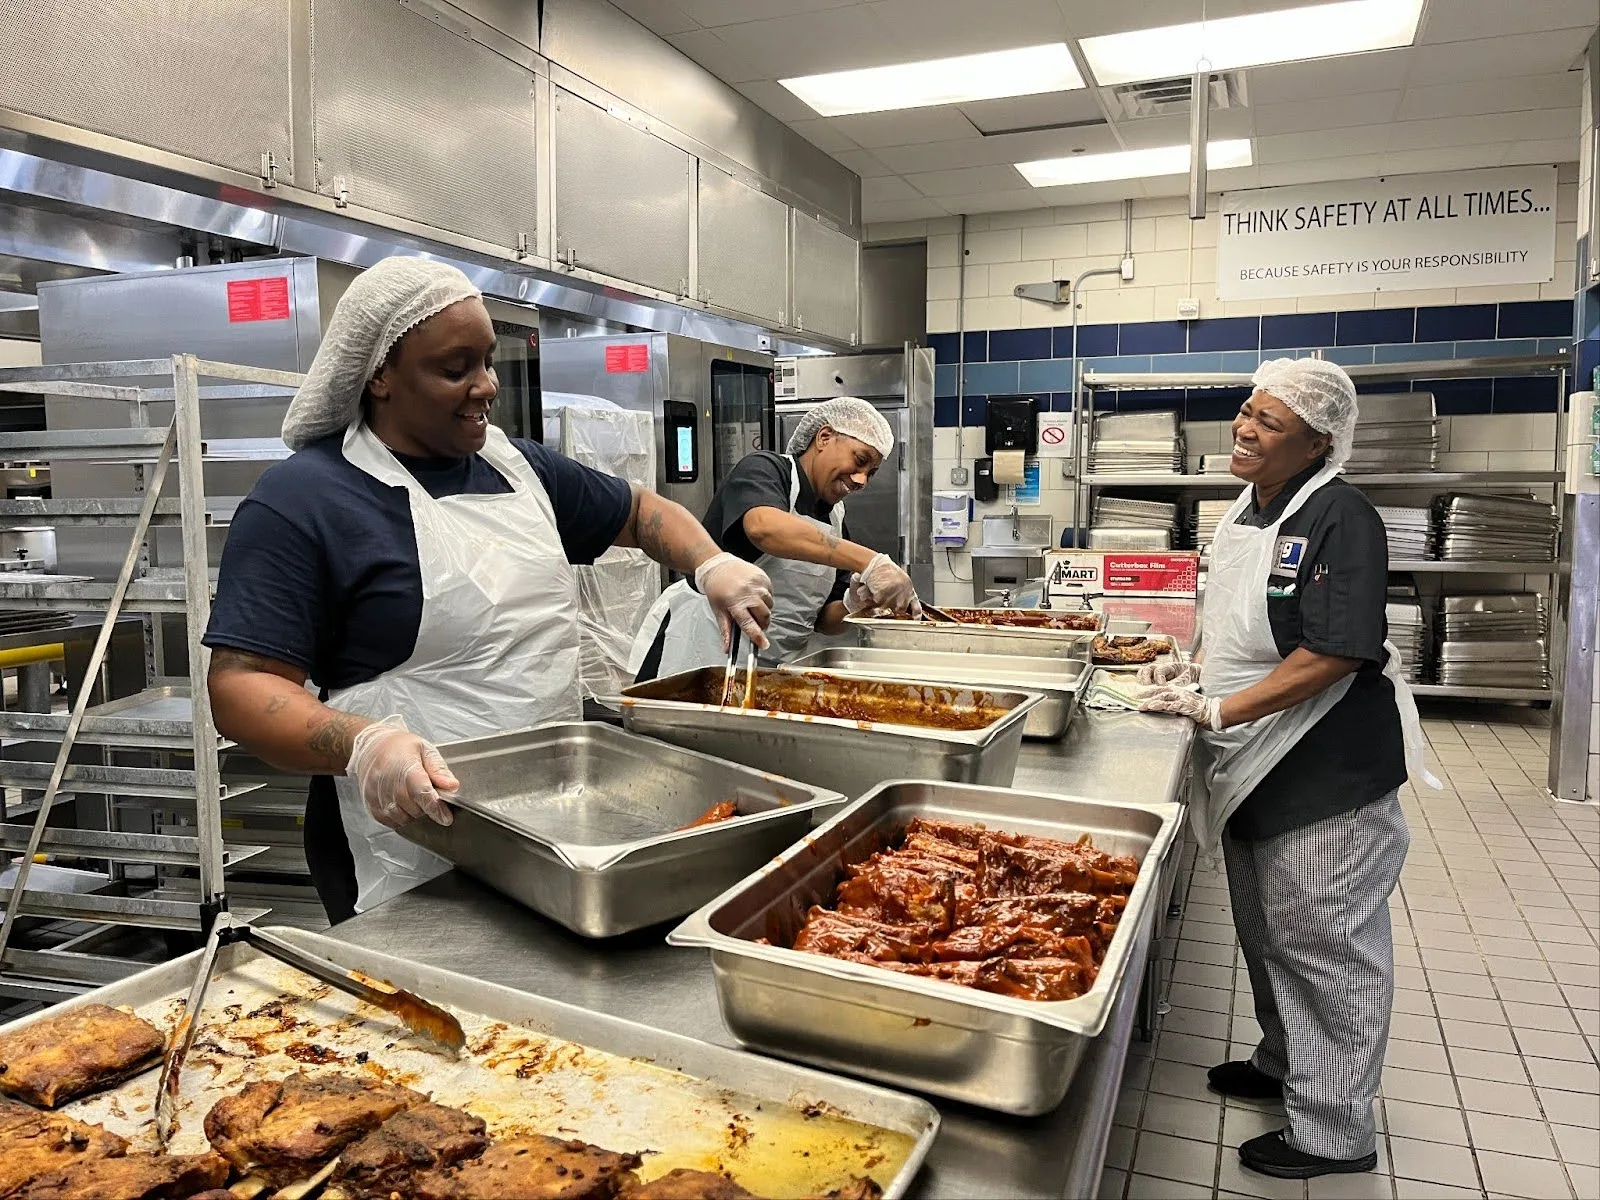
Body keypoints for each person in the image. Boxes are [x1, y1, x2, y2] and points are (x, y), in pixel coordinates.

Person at [204, 256, 773, 921]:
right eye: (455, 369)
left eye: (487, 362)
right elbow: (240, 688)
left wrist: (711, 567)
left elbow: (643, 513)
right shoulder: (306, 499)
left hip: (553, 825)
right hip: (407, 845)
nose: (485, 387)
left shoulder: (519, 468)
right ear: (380, 375)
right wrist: (361, 743)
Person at [1137, 357, 1434, 1181]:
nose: (1244, 428)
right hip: (1252, 766)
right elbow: (1238, 627)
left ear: (1317, 442)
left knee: (1325, 944)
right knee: (1268, 932)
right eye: (1246, 411)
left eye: (1269, 423)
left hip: (1322, 770)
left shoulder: (1343, 516)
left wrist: (1221, 709)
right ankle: (1283, 1062)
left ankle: (1334, 1130)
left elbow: (1337, 650)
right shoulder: (1248, 507)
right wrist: (1191, 671)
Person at [628, 397, 920, 680]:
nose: (861, 480)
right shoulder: (765, 471)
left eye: (871, 473)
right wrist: (871, 561)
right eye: (860, 461)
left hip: (772, 668)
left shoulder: (835, 518)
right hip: (700, 653)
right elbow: (764, 528)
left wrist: (852, 604)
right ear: (824, 437)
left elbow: (823, 621)